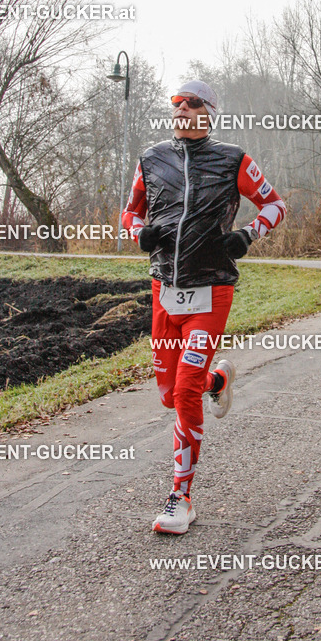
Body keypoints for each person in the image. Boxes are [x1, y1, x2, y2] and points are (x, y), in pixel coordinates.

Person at [122, 79, 286, 534]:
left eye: (192, 102)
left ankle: (181, 497)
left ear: (209, 112)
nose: (181, 107)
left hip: (211, 291)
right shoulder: (151, 159)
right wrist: (139, 233)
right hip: (165, 289)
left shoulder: (234, 159)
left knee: (185, 391)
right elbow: (129, 213)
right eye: (176, 101)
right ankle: (218, 380)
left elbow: (274, 205)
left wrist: (247, 235)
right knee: (169, 395)